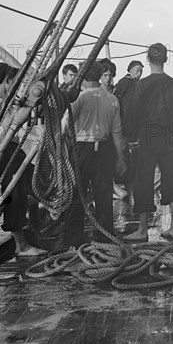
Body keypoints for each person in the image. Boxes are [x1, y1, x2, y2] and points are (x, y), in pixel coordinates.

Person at [123, 43, 173, 241]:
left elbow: (133, 113)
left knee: (144, 181)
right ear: (165, 59)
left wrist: (128, 137)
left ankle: (142, 230)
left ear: (148, 60)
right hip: (169, 135)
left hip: (147, 135)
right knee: (171, 179)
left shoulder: (141, 85)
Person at [62, 61, 127, 248]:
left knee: (76, 197)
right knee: (104, 197)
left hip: (81, 150)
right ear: (99, 76)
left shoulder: (78, 99)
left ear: (82, 77)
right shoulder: (112, 99)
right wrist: (121, 158)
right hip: (105, 151)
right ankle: (106, 239)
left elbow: (64, 128)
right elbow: (117, 132)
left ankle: (73, 242)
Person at [0, 63, 47, 256]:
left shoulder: (3, 98)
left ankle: (31, 228)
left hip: (12, 149)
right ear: (8, 80)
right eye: (14, 81)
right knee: (14, 196)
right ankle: (21, 246)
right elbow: (8, 126)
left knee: (29, 188)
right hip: (4, 151)